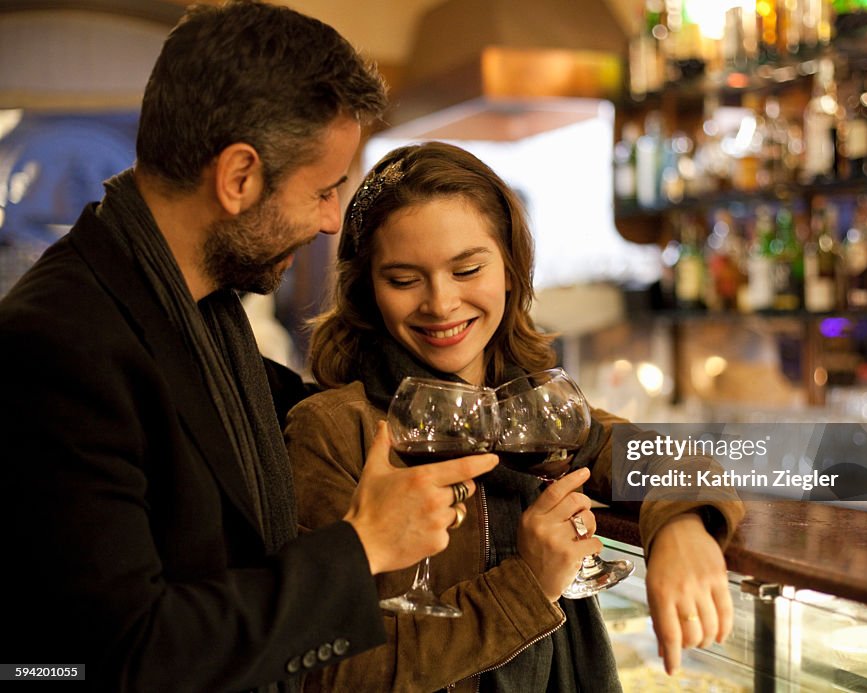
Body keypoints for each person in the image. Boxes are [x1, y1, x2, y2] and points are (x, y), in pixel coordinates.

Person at [0, 4, 496, 692]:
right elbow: (124, 655)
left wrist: (689, 490)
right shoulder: (57, 345)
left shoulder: (198, 314)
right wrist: (362, 546)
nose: (331, 222)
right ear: (238, 178)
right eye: (324, 191)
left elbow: (393, 405)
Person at [285, 141, 746, 692]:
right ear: (367, 291)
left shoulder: (530, 409)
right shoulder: (333, 430)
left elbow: (665, 458)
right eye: (404, 280)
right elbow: (331, 676)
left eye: (467, 269)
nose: (441, 303)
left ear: (510, 267)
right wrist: (527, 584)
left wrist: (683, 526)